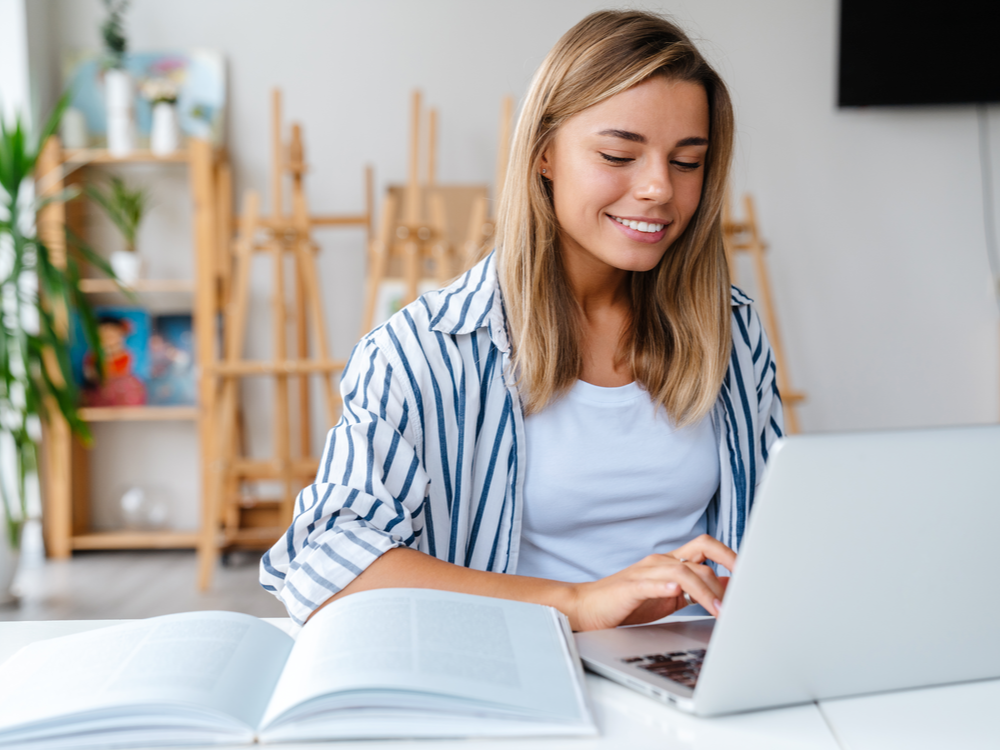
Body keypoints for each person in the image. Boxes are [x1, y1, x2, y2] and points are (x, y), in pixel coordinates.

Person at [261, 9, 783, 630]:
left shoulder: (729, 329)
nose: (658, 189)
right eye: (619, 154)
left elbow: (774, 530)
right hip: (523, 666)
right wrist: (578, 603)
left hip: (696, 667)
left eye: (687, 162)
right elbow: (324, 562)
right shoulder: (422, 350)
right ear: (544, 156)